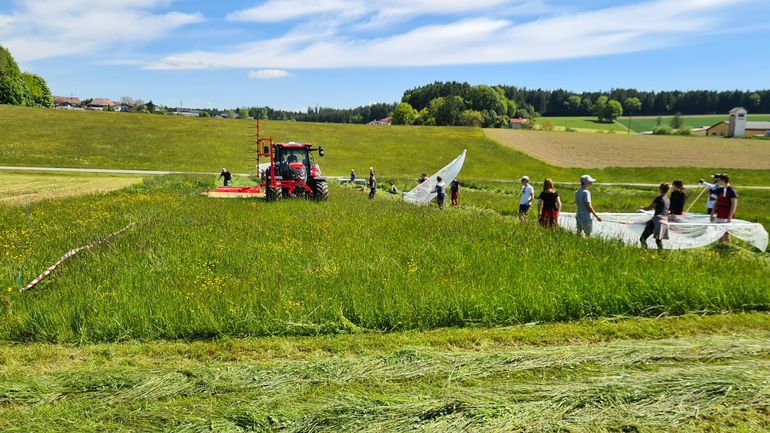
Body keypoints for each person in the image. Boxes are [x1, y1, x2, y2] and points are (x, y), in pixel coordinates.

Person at [639, 183, 671, 250]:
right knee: (658, 241)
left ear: (660, 189)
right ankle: (661, 255)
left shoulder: (659, 198)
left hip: (657, 221)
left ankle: (645, 252)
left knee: (642, 238)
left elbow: (649, 208)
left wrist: (641, 208)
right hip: (665, 221)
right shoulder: (667, 199)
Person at [711, 174, 738, 243]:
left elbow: (734, 205)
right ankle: (720, 247)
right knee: (719, 232)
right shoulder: (719, 190)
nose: (717, 181)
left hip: (728, 214)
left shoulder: (732, 190)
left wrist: (730, 217)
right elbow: (716, 203)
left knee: (726, 233)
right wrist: (712, 214)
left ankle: (727, 247)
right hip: (720, 213)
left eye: (718, 180)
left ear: (723, 180)